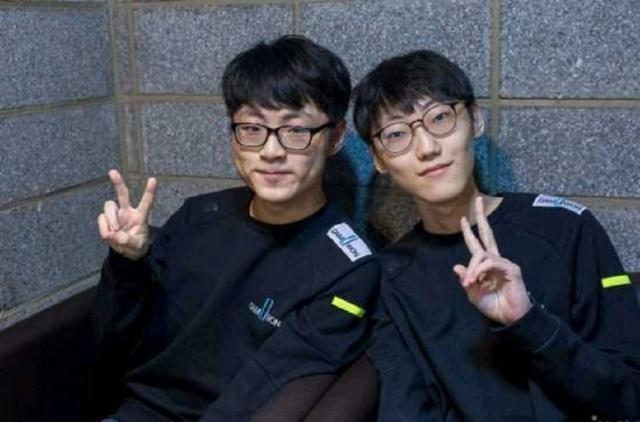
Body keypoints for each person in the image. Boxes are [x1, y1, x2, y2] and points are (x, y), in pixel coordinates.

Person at [93, 35, 379, 421]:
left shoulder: (347, 269)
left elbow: (272, 387)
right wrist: (128, 262)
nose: (271, 152)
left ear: (336, 136)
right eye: (252, 129)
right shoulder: (199, 215)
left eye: (296, 130)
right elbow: (110, 343)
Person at [352, 50, 640, 420]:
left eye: (440, 118)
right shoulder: (390, 278)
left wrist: (528, 321)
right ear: (378, 158)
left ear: (475, 119)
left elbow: (630, 394)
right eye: (396, 134)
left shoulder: (565, 228)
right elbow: (405, 409)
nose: (427, 148)